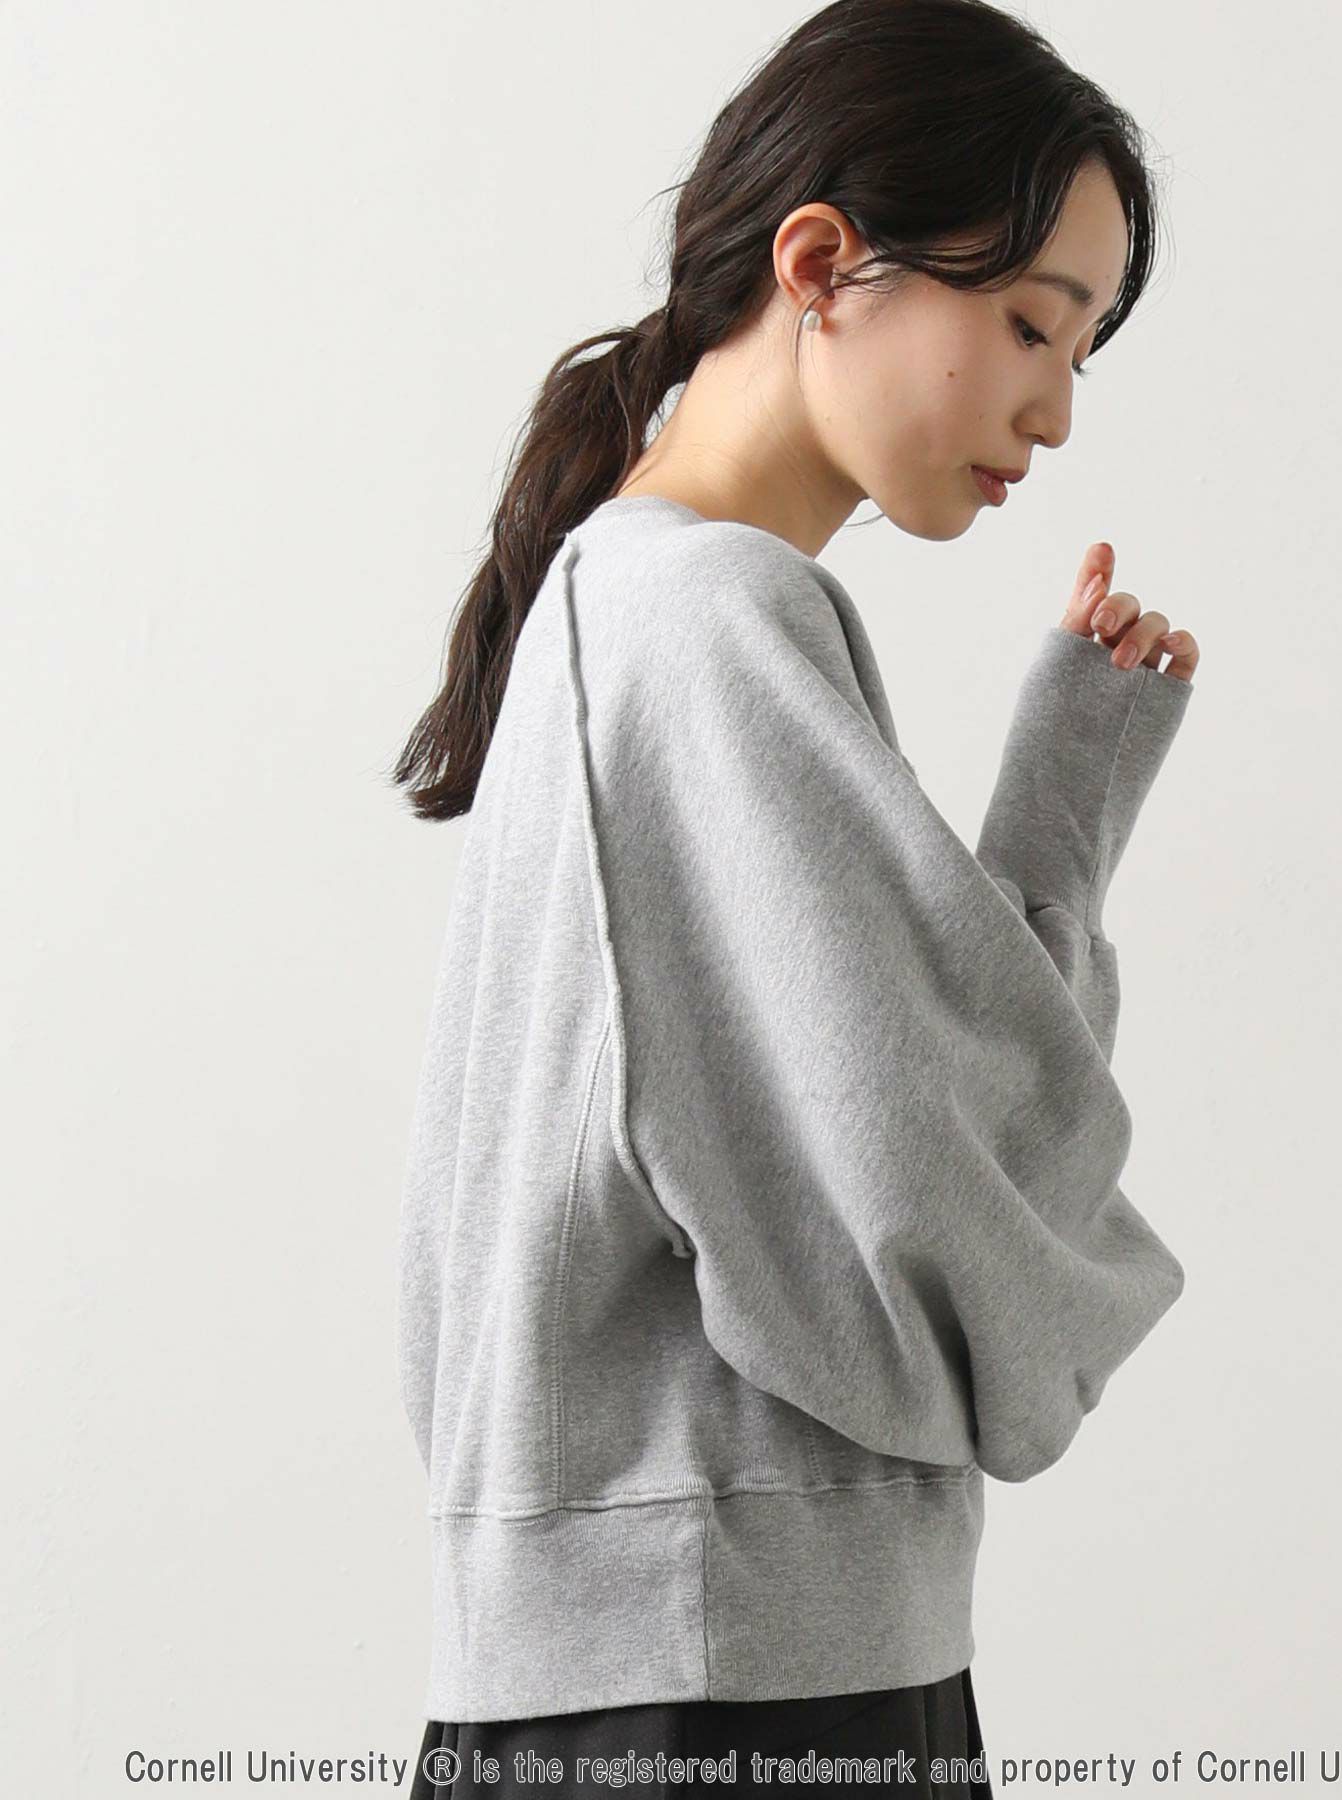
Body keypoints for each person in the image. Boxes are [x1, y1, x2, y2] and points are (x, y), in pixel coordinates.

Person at [389, 0, 1201, 1792]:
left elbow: (904, 1151)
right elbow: (975, 1216)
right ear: (823, 264)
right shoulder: (711, 623)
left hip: (638, 1672)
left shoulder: (623, 601)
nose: (1056, 411)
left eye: (1080, 352)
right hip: (739, 1684)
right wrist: (1063, 821)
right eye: (1030, 323)